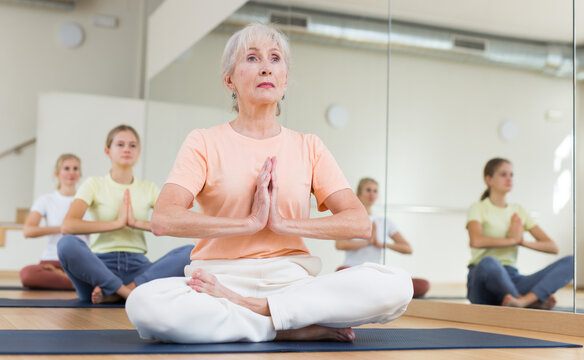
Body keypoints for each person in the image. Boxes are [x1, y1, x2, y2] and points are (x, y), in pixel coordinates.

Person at [125, 23, 413, 344]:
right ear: (229, 80)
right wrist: (248, 223)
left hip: (291, 281)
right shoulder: (204, 142)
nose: (265, 67)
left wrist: (282, 223)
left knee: (397, 284)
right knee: (143, 304)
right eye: (252, 58)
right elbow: (164, 219)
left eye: (275, 59)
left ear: (284, 79)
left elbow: (358, 223)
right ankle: (281, 326)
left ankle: (257, 311)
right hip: (218, 281)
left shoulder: (309, 146)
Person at [58, 125, 192, 304]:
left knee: (191, 252)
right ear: (108, 151)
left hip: (138, 269)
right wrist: (117, 223)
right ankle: (127, 293)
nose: (127, 149)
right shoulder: (93, 184)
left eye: (132, 145)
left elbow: (174, 223)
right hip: (99, 269)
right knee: (66, 244)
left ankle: (117, 292)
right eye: (120, 144)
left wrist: (135, 223)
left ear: (138, 152)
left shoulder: (149, 188)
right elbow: (68, 226)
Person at [466, 157, 573, 308]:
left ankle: (523, 301)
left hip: (512, 279)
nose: (509, 179)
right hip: (482, 282)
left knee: (572, 261)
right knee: (489, 262)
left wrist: (522, 241)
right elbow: (476, 241)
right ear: (489, 180)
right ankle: (531, 302)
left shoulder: (518, 210)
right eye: (503, 174)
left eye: (511, 175)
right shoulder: (478, 208)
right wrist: (513, 240)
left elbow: (552, 247)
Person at [335, 177, 430, 298]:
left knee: (423, 285)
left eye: (375, 191)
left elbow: (407, 248)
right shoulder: (349, 218)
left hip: (376, 272)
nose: (372, 194)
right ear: (358, 194)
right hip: (353, 270)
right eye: (368, 190)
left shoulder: (384, 222)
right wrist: (368, 242)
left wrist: (381, 244)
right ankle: (375, 290)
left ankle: (369, 289)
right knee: (342, 271)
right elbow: (340, 245)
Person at [20, 154, 89, 290]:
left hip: (81, 261)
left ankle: (71, 280)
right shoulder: (46, 200)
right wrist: (64, 227)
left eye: (75, 168)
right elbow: (28, 231)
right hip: (52, 262)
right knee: (27, 274)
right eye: (66, 168)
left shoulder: (87, 200)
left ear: (80, 173)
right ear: (57, 173)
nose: (71, 173)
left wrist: (77, 227)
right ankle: (80, 284)